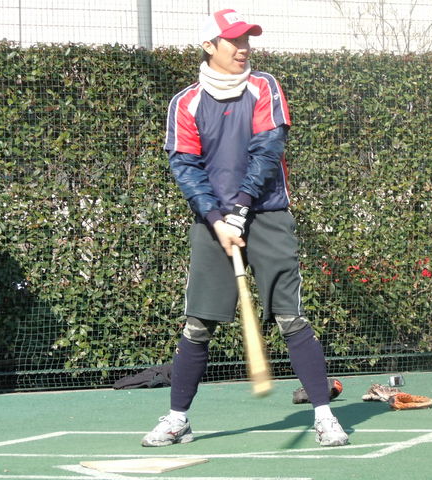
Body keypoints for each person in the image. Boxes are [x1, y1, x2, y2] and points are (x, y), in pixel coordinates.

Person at [141, 9, 349, 448]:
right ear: (208, 46)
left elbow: (267, 148)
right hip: (213, 223)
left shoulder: (263, 86)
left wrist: (240, 208)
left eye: (246, 40)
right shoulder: (185, 102)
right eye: (233, 40)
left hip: (268, 214)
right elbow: (185, 166)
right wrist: (217, 218)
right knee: (198, 324)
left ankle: (324, 416)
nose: (243, 48)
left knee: (291, 317)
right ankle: (178, 419)